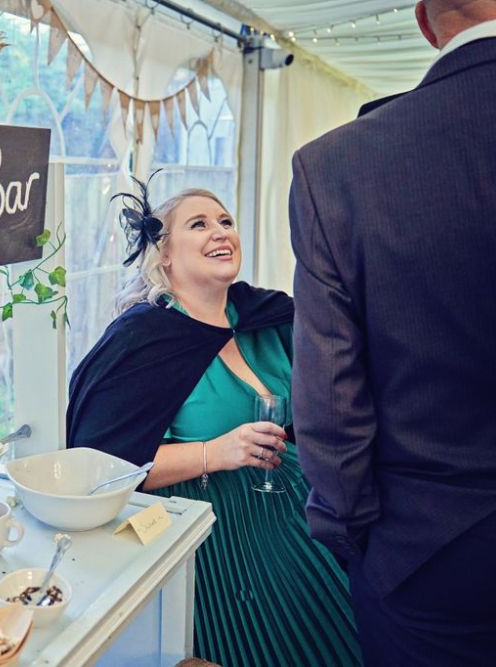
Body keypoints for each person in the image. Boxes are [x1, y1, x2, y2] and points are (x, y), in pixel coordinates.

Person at [67, 181, 360, 667]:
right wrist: (215, 452)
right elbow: (102, 467)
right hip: (212, 529)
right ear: (164, 255)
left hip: (293, 507)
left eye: (225, 221)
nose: (220, 232)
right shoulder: (141, 339)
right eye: (198, 224)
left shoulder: (268, 316)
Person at [288, 1, 496, 664]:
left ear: (426, 20)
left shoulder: (339, 166)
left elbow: (330, 401)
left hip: (428, 553)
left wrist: (352, 535)